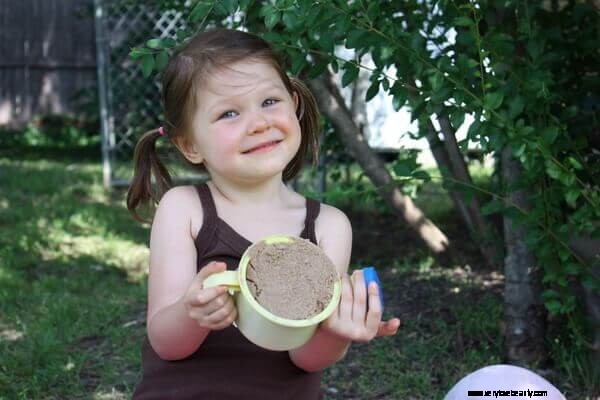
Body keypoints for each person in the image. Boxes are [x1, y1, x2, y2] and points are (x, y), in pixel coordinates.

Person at [126, 28, 401, 399]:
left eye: (270, 102)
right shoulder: (185, 209)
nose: (258, 123)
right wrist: (193, 314)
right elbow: (166, 343)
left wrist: (336, 332)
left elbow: (305, 357)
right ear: (190, 144)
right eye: (229, 113)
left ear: (294, 103)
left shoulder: (329, 227)